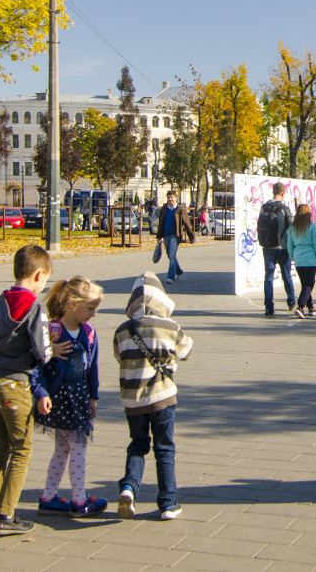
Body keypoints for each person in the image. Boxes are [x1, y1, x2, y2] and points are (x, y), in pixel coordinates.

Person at [0, 244, 60, 535]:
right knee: (21, 449)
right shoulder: (34, 306)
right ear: (38, 275)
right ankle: (6, 515)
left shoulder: (0, 299)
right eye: (45, 280)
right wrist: (52, 349)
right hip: (13, 383)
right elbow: (42, 349)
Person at [115, 272, 193, 520]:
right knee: (164, 449)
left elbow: (119, 356)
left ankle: (129, 487)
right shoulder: (170, 327)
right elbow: (186, 350)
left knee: (137, 444)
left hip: (132, 400)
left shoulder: (122, 330)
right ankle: (168, 503)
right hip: (162, 397)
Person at [35, 277, 107, 518]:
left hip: (79, 397)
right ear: (71, 304)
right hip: (62, 399)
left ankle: (49, 496)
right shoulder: (53, 330)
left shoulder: (88, 332)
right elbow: (37, 363)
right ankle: (79, 499)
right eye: (90, 308)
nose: (93, 314)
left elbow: (92, 366)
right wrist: (42, 391)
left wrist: (93, 396)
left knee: (62, 448)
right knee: (78, 446)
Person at [256, 183, 295, 315]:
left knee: (268, 276)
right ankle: (291, 301)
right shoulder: (284, 209)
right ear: (282, 193)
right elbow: (291, 227)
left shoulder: (263, 207)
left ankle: (268, 306)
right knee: (286, 275)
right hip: (282, 247)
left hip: (267, 246)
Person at [287, 204, 316, 318]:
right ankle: (301, 306)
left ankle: (311, 306)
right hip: (311, 259)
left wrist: (293, 257)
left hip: (299, 258)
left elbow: (290, 246)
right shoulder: (311, 226)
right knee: (309, 284)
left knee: (305, 284)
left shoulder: (292, 228)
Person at [155, 191, 196, 286]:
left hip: (175, 236)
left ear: (176, 198)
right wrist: (159, 236)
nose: (170, 199)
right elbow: (161, 223)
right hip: (166, 235)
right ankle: (178, 271)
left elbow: (187, 224)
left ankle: (170, 277)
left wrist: (191, 237)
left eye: (172, 197)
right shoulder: (164, 209)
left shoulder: (180, 210)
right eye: (169, 197)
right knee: (170, 255)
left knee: (172, 255)